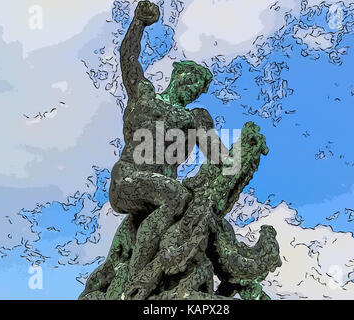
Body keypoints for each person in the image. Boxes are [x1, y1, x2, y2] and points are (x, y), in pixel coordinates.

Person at [109, 0, 228, 290]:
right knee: (174, 195)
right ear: (177, 74)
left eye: (199, 88)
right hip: (127, 180)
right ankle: (139, 281)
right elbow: (127, 57)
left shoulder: (193, 118)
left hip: (160, 196)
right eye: (191, 79)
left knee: (182, 200)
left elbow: (220, 159)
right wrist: (138, 22)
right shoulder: (144, 96)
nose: (193, 88)